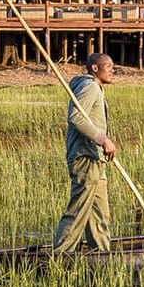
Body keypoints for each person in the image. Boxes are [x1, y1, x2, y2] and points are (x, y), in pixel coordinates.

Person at [54, 51, 118, 253]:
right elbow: (76, 117)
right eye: (108, 67)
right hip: (86, 157)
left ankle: (101, 254)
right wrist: (103, 139)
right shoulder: (89, 87)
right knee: (79, 209)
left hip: (96, 158)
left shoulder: (94, 87)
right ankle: (61, 255)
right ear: (95, 68)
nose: (112, 71)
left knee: (100, 212)